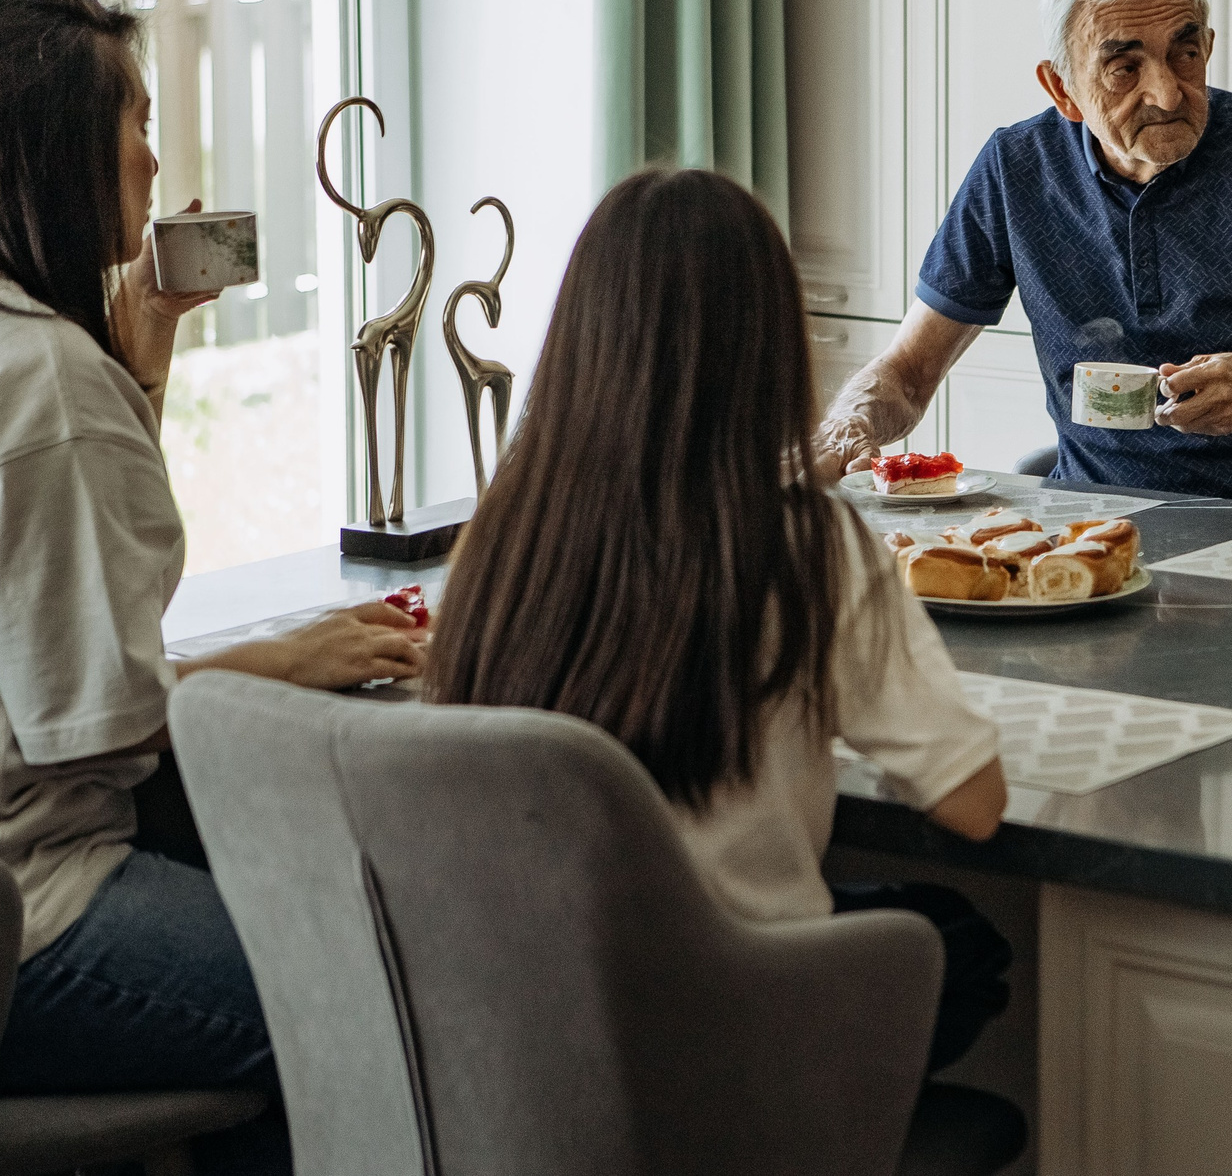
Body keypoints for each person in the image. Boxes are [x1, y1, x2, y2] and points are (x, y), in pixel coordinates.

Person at [0, 0, 425, 1171]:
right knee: (380, 999)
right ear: (53, 149)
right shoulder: (31, 377)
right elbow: (99, 728)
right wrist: (280, 662)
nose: (156, 164)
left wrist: (142, 349)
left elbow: (46, 598)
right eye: (138, 124)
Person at [426, 168, 1013, 1073]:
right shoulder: (805, 542)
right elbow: (975, 806)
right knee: (966, 944)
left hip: (536, 1020)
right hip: (727, 1030)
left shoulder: (502, 535)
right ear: (769, 345)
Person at [815, 0, 1232, 505]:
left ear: (1206, 48)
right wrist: (848, 427)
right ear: (1063, 88)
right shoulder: (1016, 168)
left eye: (1184, 53)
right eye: (1123, 68)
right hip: (1090, 524)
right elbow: (909, 372)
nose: (1166, 92)